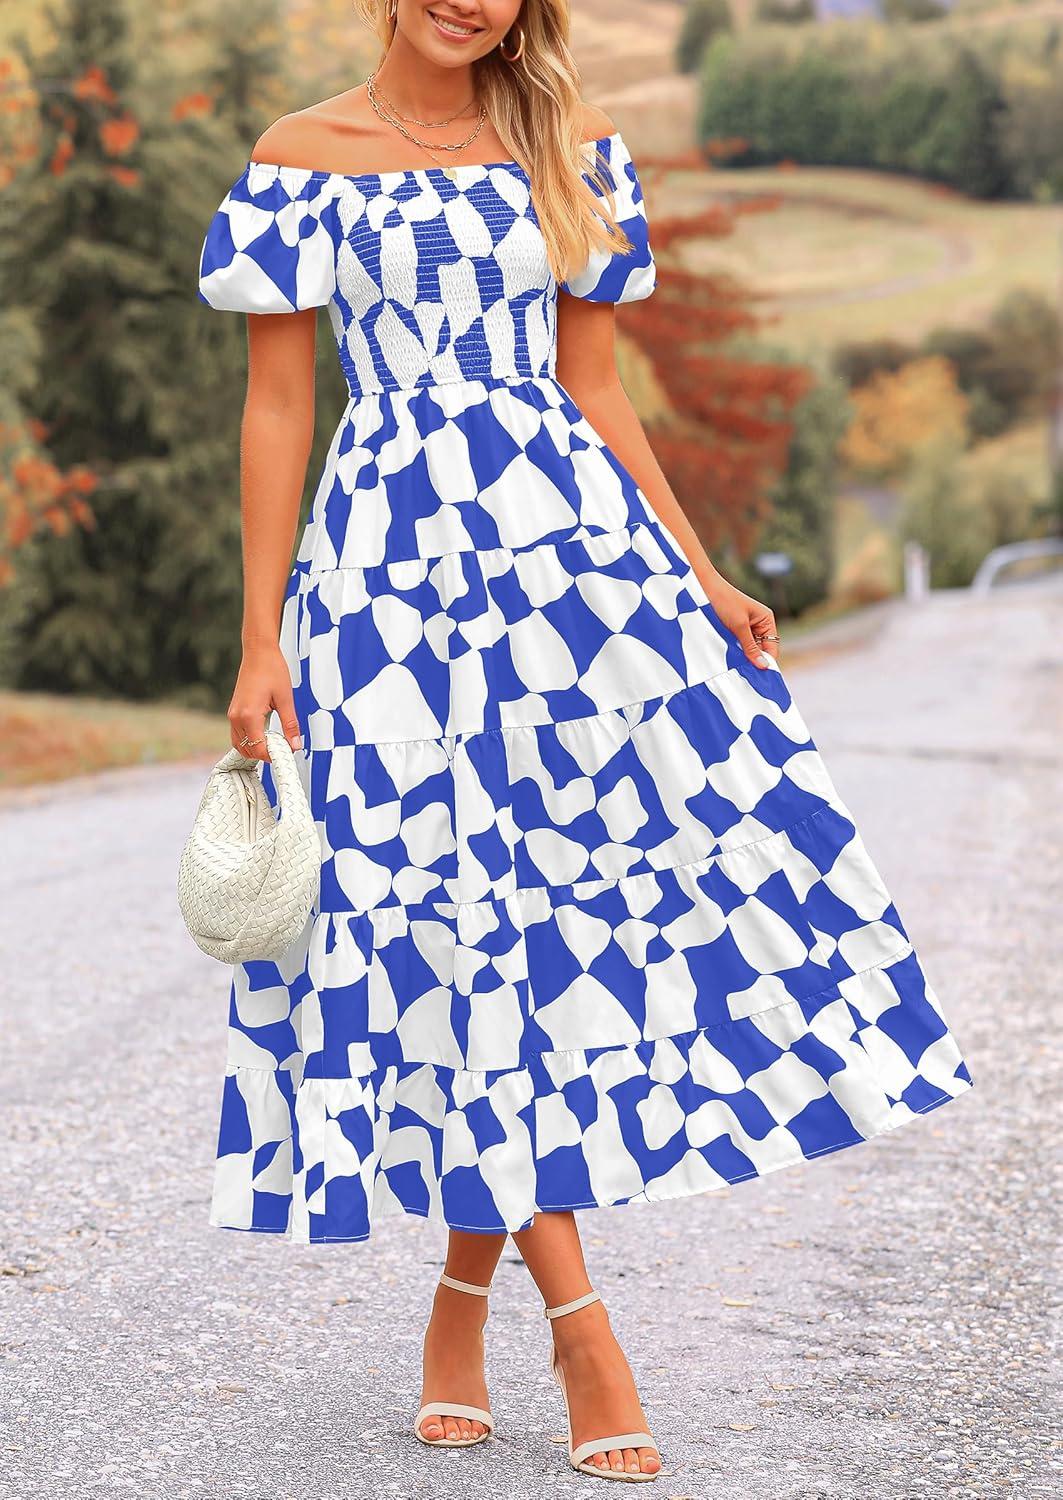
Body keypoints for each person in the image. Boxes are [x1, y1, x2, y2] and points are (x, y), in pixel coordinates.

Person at [196, 0, 974, 1483]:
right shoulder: (302, 157)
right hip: (384, 585)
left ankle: (465, 1298)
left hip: (567, 571)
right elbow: (279, 407)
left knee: (543, 923)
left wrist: (700, 572)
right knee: (437, 918)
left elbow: (595, 386)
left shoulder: (569, 142)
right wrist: (258, 638)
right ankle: (581, 1323)